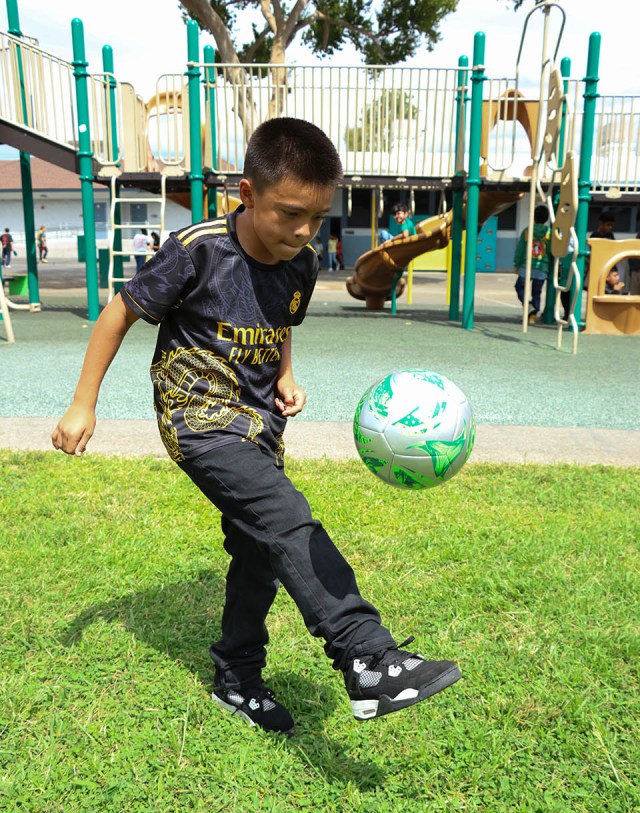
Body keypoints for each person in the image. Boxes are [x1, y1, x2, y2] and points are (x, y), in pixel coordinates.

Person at [51, 117, 460, 736]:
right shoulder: (198, 249)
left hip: (258, 425)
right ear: (248, 193)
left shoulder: (301, 262)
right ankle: (368, 659)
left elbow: (280, 324)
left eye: (316, 218)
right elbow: (119, 313)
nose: (301, 231)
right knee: (286, 516)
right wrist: (84, 402)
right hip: (196, 419)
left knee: (259, 551)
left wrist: (286, 376)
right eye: (289, 213)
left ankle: (237, 680)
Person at [513, 205, 551, 323]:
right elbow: (551, 249)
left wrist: (517, 263)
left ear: (533, 217)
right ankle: (533, 315)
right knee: (536, 292)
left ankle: (529, 306)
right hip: (542, 267)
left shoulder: (527, 231)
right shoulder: (549, 232)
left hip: (527, 265)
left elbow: (521, 248)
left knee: (519, 287)